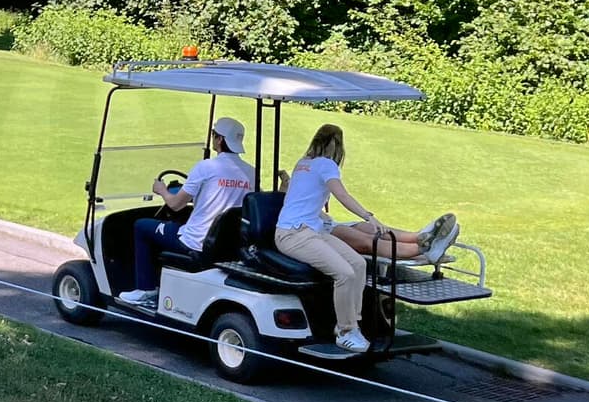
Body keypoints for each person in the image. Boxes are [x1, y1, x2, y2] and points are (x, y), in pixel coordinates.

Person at [274, 124, 459, 353]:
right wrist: (368, 217)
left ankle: (353, 323)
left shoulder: (304, 163)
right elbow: (341, 194)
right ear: (337, 146)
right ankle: (345, 330)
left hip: (312, 230)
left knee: (358, 264)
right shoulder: (326, 165)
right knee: (344, 273)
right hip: (294, 234)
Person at [120, 117, 255, 307]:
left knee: (141, 226)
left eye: (214, 135)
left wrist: (162, 190)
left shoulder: (207, 167)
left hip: (195, 242)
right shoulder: (251, 172)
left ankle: (146, 289)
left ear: (219, 140)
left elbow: (175, 205)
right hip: (227, 245)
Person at [278, 170, 458, 262]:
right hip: (319, 229)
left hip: (327, 222)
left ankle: (419, 237)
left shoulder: (307, 175)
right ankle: (423, 249)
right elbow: (283, 202)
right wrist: (285, 186)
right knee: (367, 240)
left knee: (370, 229)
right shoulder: (288, 206)